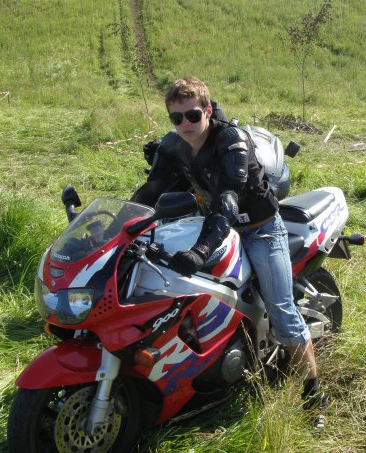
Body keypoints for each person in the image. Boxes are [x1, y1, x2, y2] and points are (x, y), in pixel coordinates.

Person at [131, 76, 326, 418]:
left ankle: (314, 395)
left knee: (282, 310)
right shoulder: (175, 144)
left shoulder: (231, 141)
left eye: (193, 115)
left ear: (207, 110)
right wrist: (123, 227)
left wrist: (201, 251)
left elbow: (227, 198)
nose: (185, 123)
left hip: (259, 229)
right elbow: (152, 190)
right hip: (211, 222)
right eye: (176, 117)